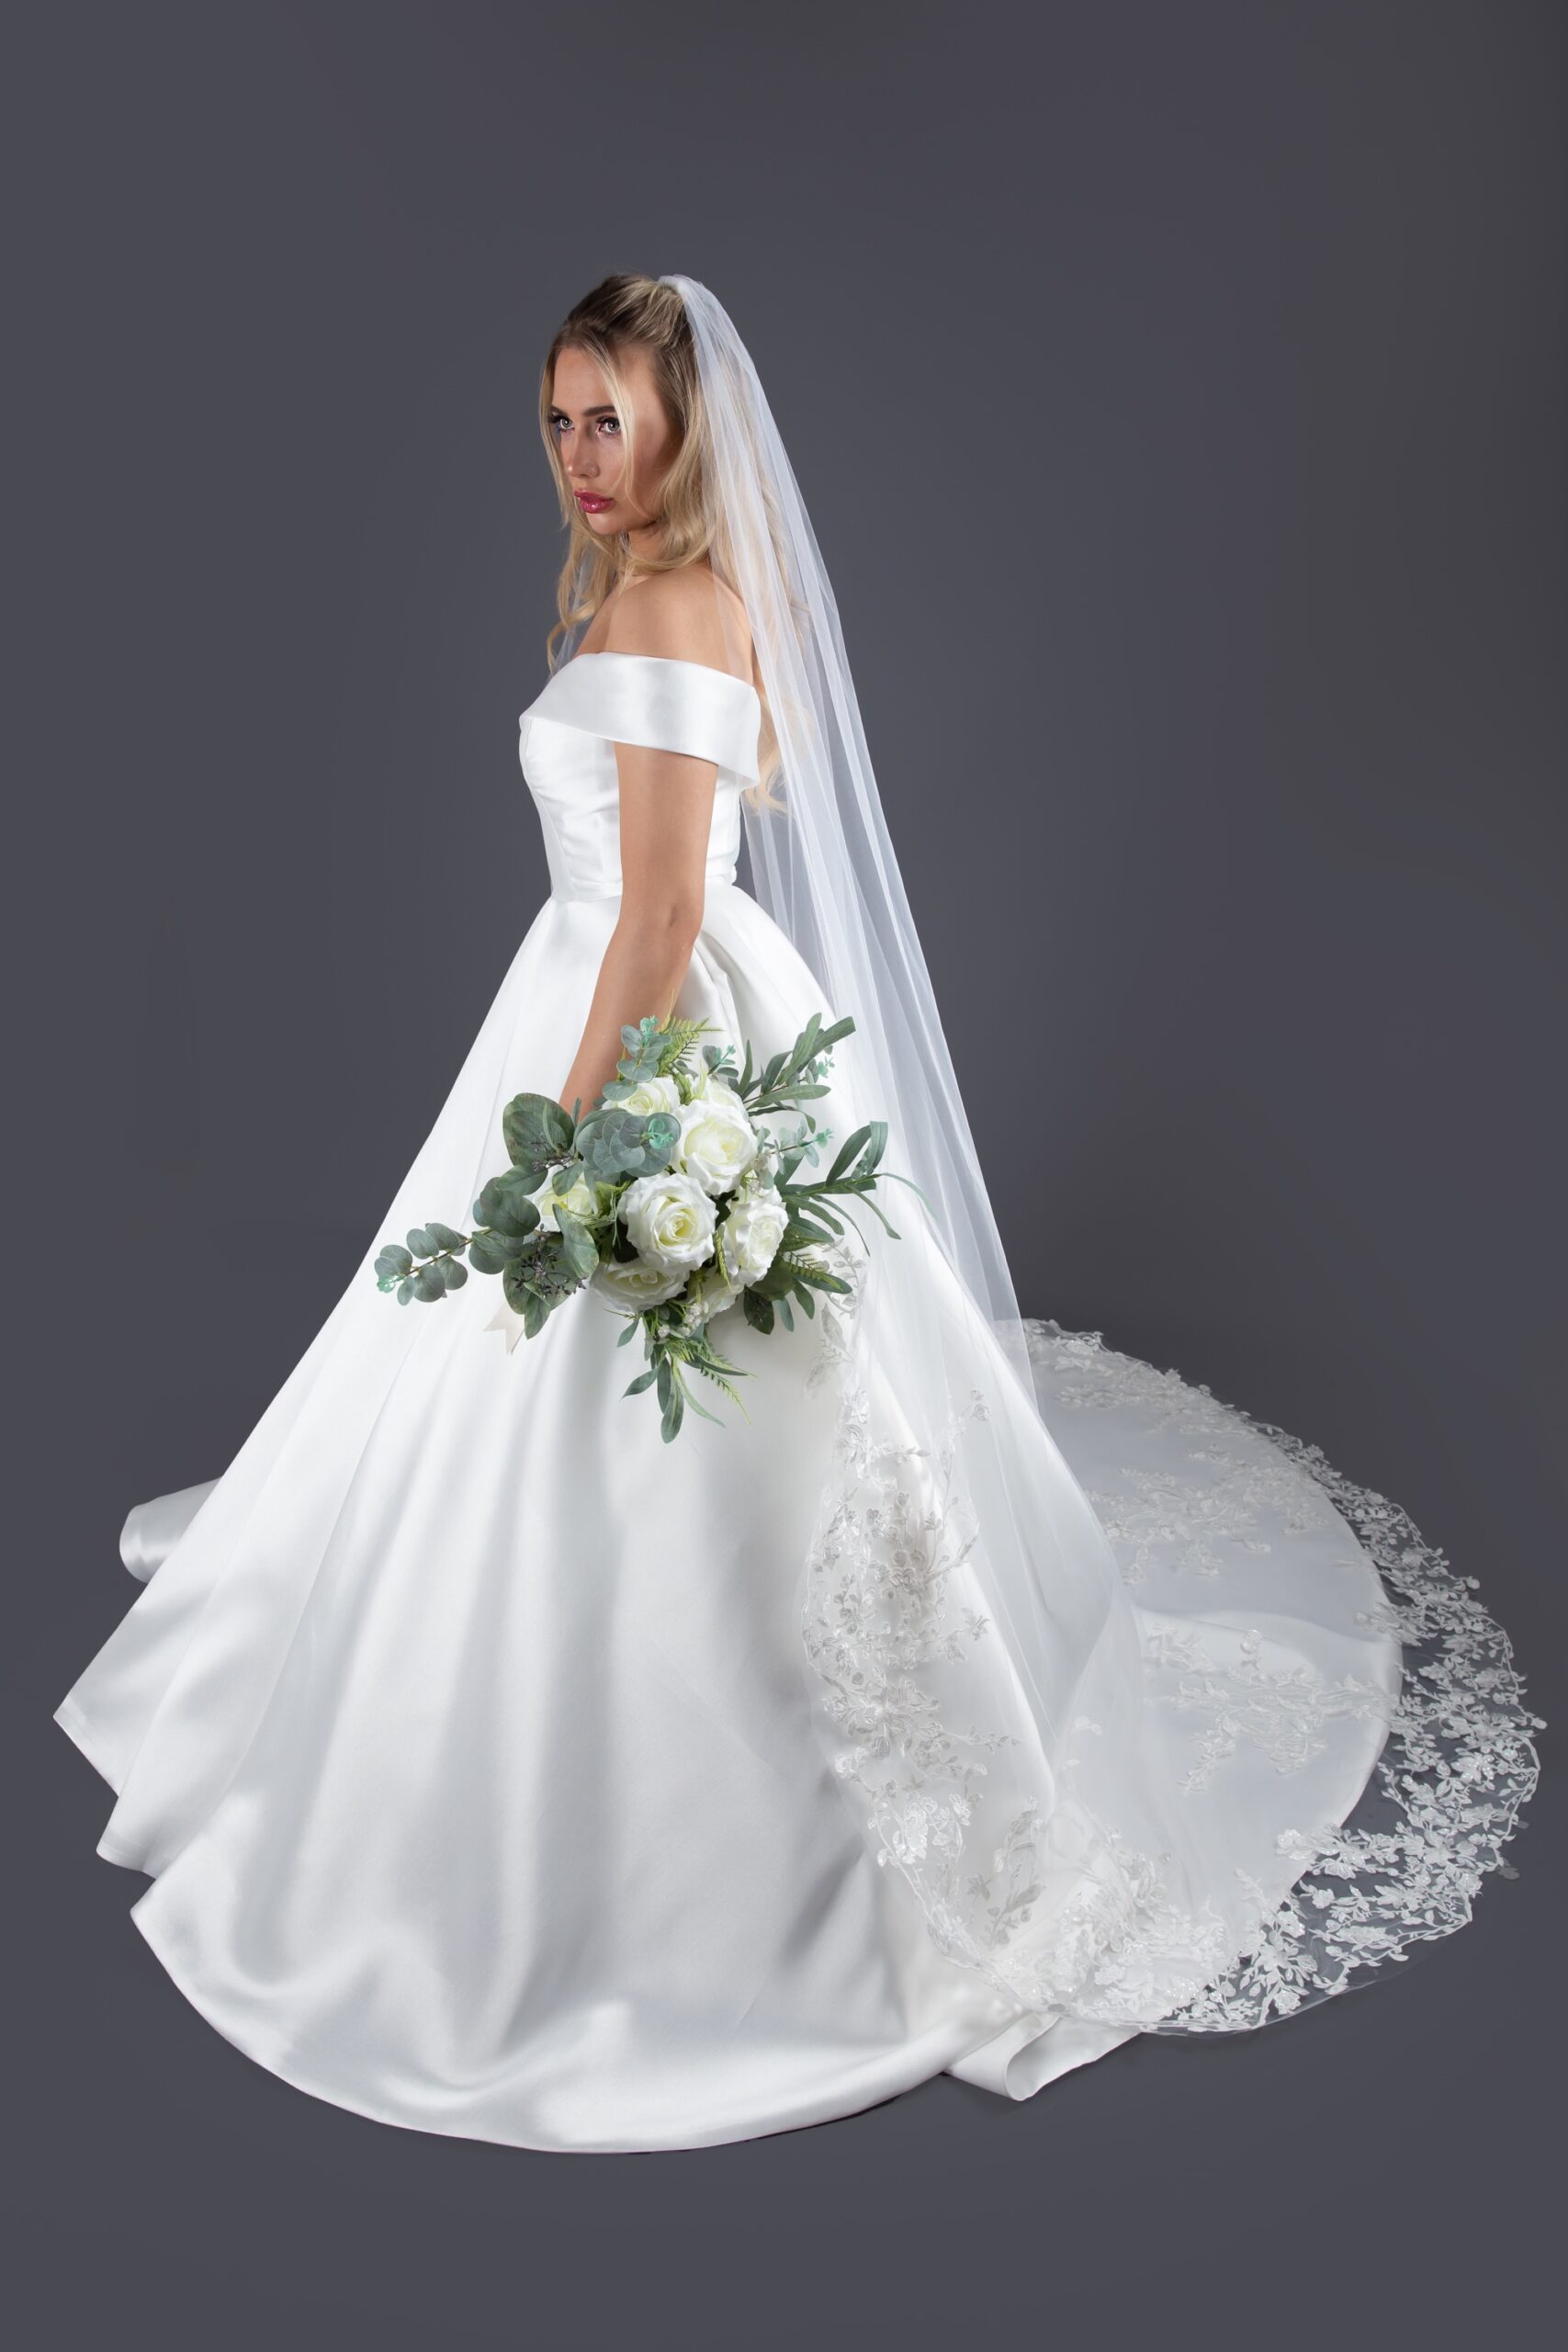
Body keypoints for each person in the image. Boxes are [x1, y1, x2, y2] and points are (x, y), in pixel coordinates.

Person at [53, 273, 1542, 2154]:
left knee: (651, 1391)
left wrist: (570, 1141)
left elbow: (665, 912)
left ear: (682, 425)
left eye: (610, 419)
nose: (579, 457)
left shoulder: (668, 605)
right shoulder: (660, 588)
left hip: (637, 1010)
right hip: (613, 986)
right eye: (557, 420)